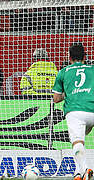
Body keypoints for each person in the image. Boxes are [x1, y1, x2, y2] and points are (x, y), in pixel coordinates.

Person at [52, 43, 93, 180]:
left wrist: (67, 93)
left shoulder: (63, 72)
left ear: (69, 58)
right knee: (81, 142)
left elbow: (56, 99)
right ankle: (77, 172)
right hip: (92, 109)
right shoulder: (92, 70)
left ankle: (85, 170)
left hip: (75, 111)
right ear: (85, 57)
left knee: (77, 142)